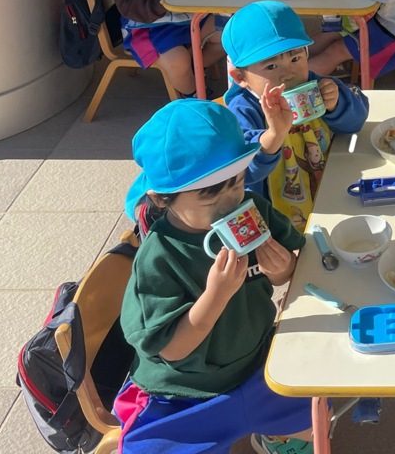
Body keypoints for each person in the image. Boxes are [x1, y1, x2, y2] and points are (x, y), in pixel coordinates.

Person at [116, 99, 312, 454]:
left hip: (255, 361)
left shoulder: (253, 210)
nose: (229, 202)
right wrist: (216, 295)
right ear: (163, 199)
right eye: (210, 196)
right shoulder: (160, 256)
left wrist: (282, 269)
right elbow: (172, 349)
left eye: (236, 184)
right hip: (185, 390)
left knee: (320, 401)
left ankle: (276, 435)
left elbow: (291, 272)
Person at [221, 2, 369, 231]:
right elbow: (241, 173)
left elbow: (357, 121)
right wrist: (273, 135)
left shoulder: (316, 85)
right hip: (276, 218)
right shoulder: (243, 110)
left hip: (331, 189)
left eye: (295, 59)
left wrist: (338, 103)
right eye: (271, 66)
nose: (288, 74)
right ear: (240, 77)